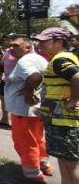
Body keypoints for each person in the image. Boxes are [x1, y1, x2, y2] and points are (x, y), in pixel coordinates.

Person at [5, 35, 53, 182]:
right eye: (11, 45)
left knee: (25, 141)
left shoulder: (25, 60)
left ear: (27, 47)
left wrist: (28, 91)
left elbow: (35, 76)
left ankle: (33, 173)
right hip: (35, 109)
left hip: (23, 110)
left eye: (15, 46)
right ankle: (43, 164)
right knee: (37, 138)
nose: (11, 48)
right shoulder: (38, 58)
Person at [34, 28, 79, 184]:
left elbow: (77, 77)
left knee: (71, 165)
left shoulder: (61, 59)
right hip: (58, 120)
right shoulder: (59, 58)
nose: (40, 44)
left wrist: (73, 100)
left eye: (44, 41)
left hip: (65, 122)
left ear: (59, 42)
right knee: (64, 162)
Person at [0, 33, 17, 128]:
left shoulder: (18, 52)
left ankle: (15, 122)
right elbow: (2, 64)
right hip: (5, 79)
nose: (6, 41)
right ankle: (5, 119)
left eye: (8, 39)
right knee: (2, 98)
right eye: (5, 40)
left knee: (14, 100)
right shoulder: (7, 51)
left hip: (15, 81)